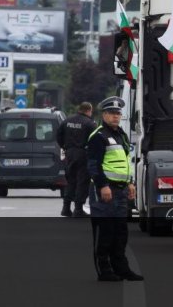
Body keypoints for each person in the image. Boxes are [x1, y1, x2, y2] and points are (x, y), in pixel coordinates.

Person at [86, 96, 143, 282]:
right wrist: (103, 185)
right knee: (105, 232)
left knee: (120, 233)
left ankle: (121, 268)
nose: (116, 116)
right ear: (104, 115)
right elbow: (93, 165)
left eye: (118, 113)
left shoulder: (121, 135)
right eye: (112, 113)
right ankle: (104, 270)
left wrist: (130, 182)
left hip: (120, 191)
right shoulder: (98, 136)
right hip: (105, 191)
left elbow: (126, 162)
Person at [57, 101, 96, 218]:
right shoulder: (90, 123)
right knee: (82, 182)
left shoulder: (67, 121)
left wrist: (65, 147)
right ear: (89, 110)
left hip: (69, 154)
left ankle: (66, 208)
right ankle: (78, 209)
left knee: (70, 181)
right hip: (83, 154)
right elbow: (96, 140)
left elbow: (58, 136)